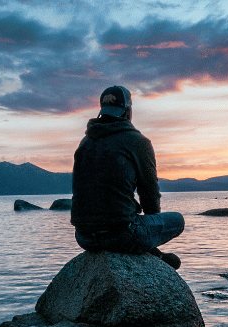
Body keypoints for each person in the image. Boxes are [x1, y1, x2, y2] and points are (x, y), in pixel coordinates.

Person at [71, 85, 184, 269]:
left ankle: (153, 253)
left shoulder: (85, 143)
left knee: (129, 221)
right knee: (177, 220)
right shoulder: (138, 142)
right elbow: (149, 194)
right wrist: (150, 227)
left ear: (102, 111)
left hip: (84, 237)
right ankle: (153, 253)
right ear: (128, 111)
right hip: (121, 235)